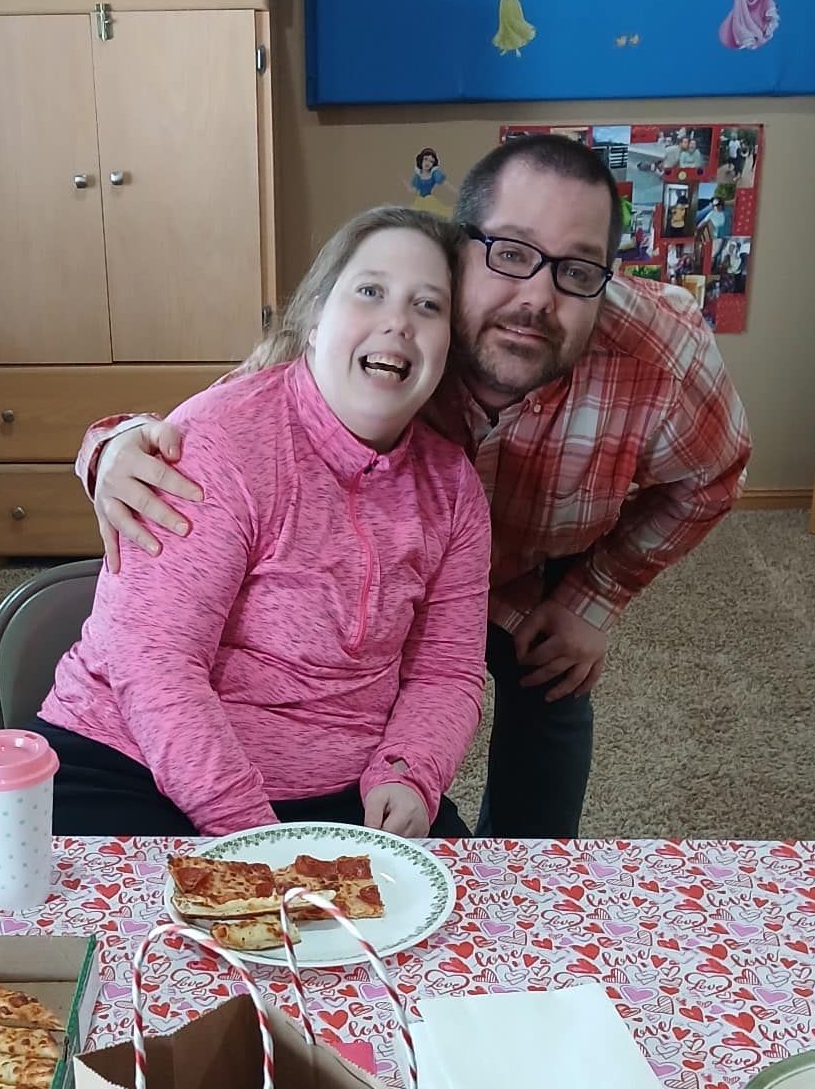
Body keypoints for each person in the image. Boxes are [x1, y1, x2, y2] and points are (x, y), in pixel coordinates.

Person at [81, 133, 751, 837]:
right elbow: (240, 416)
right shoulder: (399, 327)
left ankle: (532, 886)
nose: (537, 297)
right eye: (512, 253)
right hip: (386, 577)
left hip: (536, 569)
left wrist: (596, 597)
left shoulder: (661, 357)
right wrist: (112, 445)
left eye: (578, 270)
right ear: (461, 254)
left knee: (548, 713)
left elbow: (713, 480)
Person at [35, 207, 489, 839]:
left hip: (343, 795)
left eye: (428, 306)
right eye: (370, 291)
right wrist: (253, 838)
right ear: (313, 319)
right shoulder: (221, 439)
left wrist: (411, 773)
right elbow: (155, 661)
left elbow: (448, 669)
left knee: (468, 927)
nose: (397, 322)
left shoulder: (455, 487)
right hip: (129, 763)